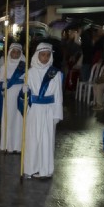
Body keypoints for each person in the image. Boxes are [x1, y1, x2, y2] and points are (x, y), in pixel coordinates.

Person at [20, 42, 63, 179]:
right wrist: (24, 91)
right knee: (32, 139)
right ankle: (30, 168)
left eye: (47, 55)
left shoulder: (55, 73)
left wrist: (57, 114)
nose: (44, 58)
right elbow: (23, 97)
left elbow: (58, 95)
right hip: (34, 111)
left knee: (46, 140)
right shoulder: (30, 73)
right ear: (37, 55)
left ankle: (45, 170)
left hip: (48, 111)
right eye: (42, 55)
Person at [0, 43, 26, 153]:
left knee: (19, 120)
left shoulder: (24, 66)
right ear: (10, 52)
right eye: (14, 52)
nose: (16, 54)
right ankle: (7, 144)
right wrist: (2, 85)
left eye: (18, 52)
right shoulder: (4, 66)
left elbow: (28, 80)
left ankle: (18, 146)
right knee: (9, 119)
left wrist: (26, 87)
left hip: (20, 96)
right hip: (8, 95)